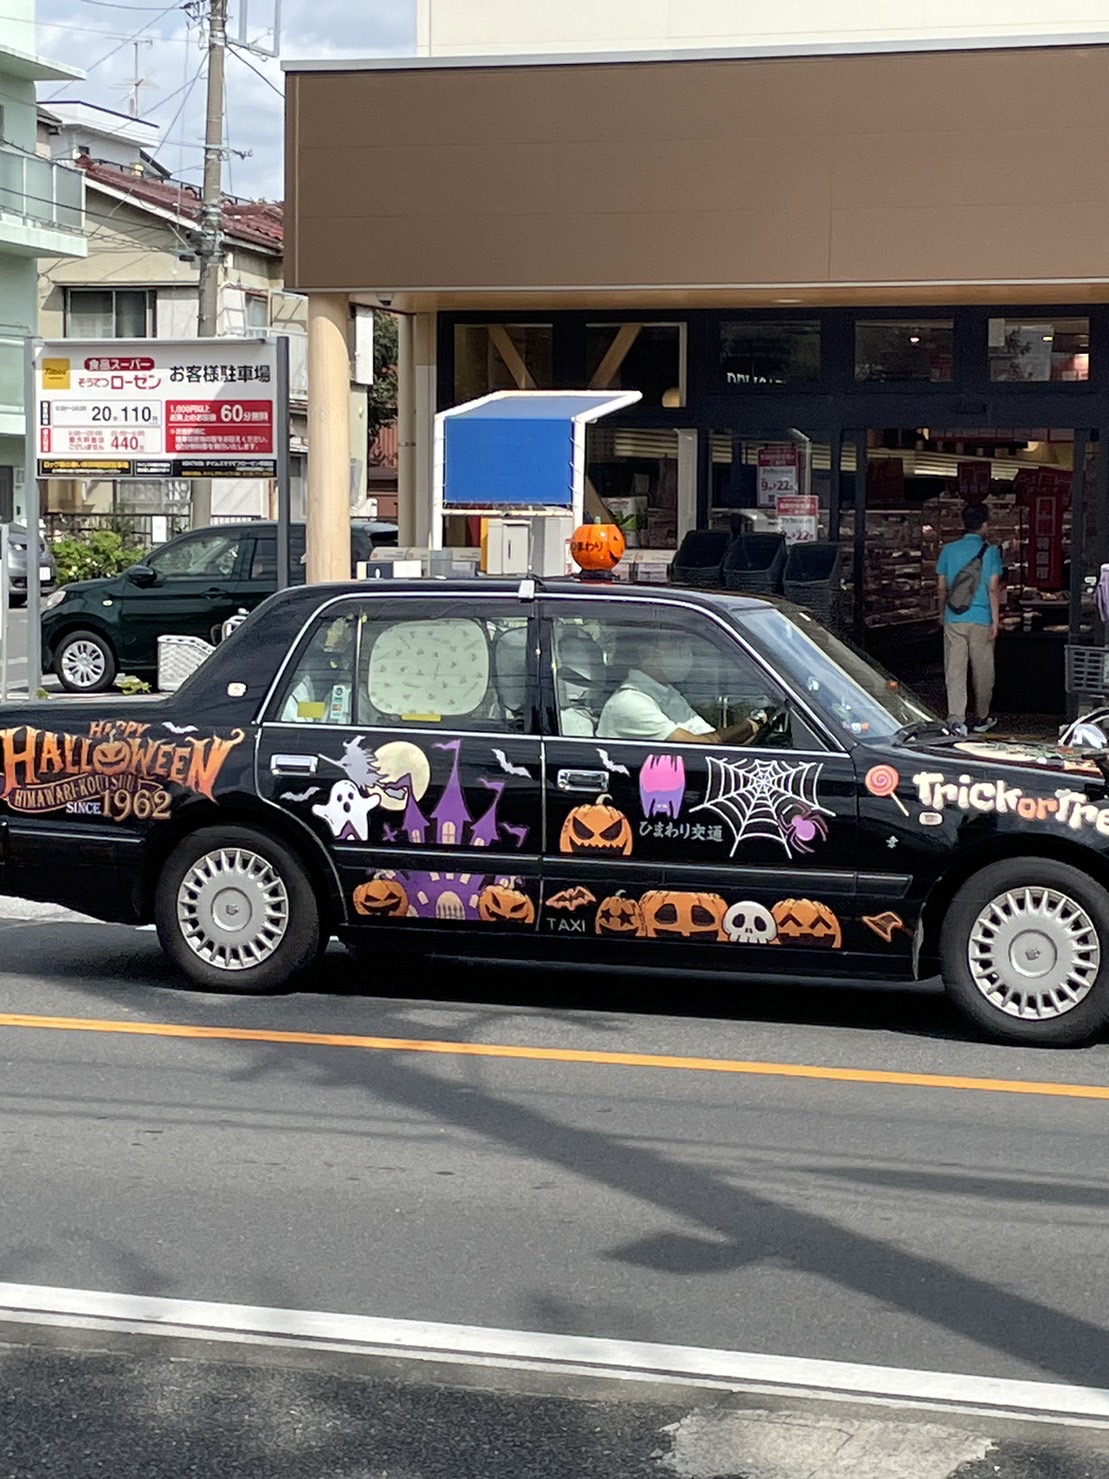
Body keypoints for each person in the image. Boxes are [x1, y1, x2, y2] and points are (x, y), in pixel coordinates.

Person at [597, 632, 770, 744]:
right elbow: (702, 746)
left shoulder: (667, 693)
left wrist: (754, 727)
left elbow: (709, 735)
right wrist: (753, 723)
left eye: (685, 647)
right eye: (675, 647)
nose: (685, 654)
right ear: (648, 655)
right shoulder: (630, 703)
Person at [937, 502, 1003, 735]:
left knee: (954, 670)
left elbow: (942, 587)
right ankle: (981, 716)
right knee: (983, 670)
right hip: (981, 617)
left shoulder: (948, 550)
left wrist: (941, 612)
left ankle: (956, 718)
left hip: (954, 616)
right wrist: (995, 620)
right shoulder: (991, 552)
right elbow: (993, 588)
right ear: (984, 524)